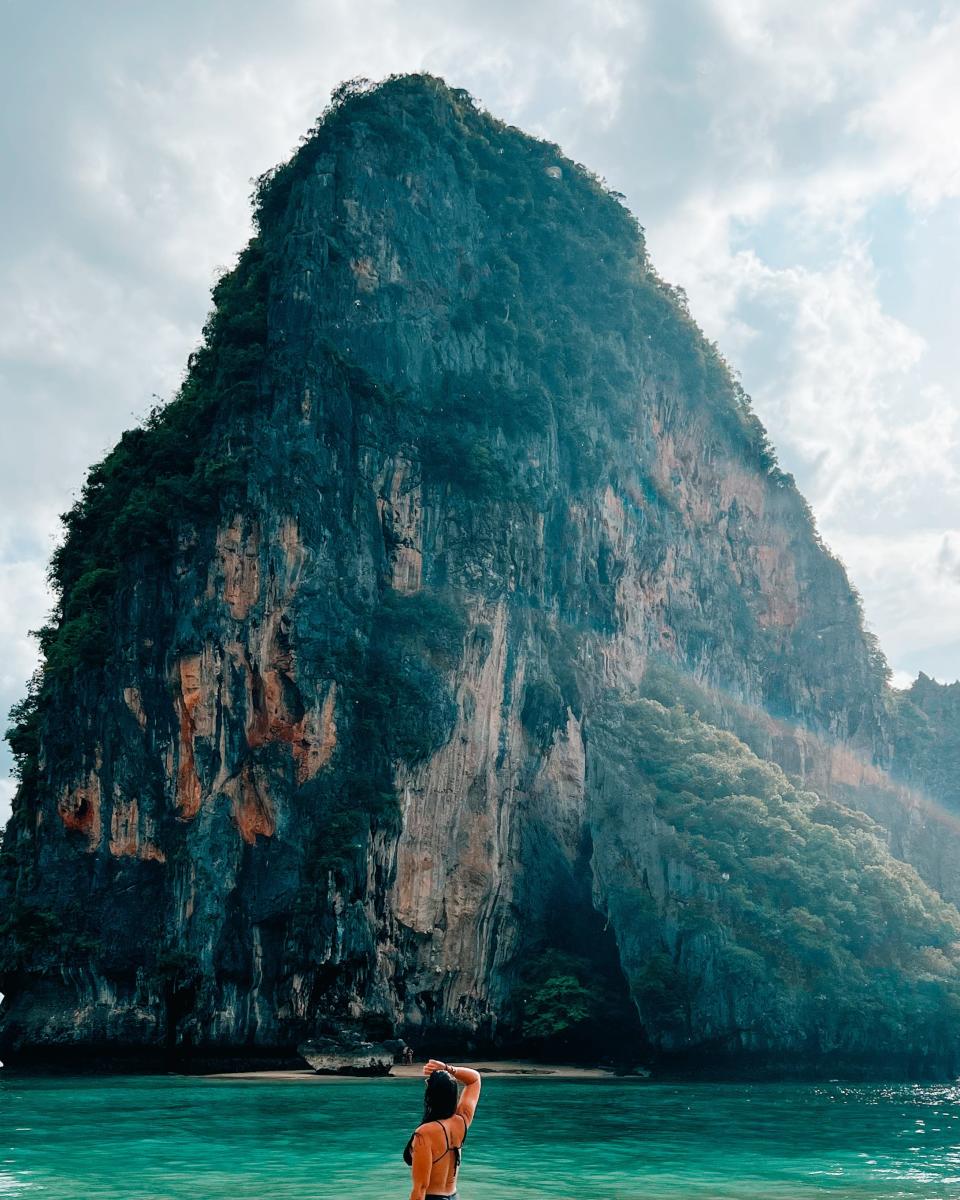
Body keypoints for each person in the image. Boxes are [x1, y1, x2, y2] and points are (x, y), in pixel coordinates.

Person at [403, 1058, 481, 1200]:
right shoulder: (462, 1121)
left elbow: (420, 1188)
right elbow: (474, 1079)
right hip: (454, 1196)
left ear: (431, 1095)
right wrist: (447, 1068)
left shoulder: (424, 1133)